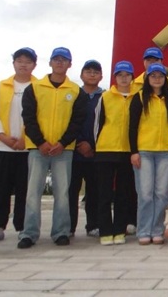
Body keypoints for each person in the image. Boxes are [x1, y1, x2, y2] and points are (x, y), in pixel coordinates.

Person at [18, 47, 89, 249]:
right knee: (33, 193)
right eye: (56, 59)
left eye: (63, 60)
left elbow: (77, 122)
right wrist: (40, 142)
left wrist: (63, 143)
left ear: (70, 64)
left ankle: (61, 232)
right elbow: (28, 118)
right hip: (37, 149)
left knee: (63, 193)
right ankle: (29, 233)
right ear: (50, 62)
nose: (59, 63)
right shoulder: (34, 88)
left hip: (63, 150)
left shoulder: (76, 91)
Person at [0, 47, 37, 244]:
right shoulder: (1, 86)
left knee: (26, 191)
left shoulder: (39, 87)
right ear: (14, 63)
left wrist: (25, 138)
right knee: (0, 189)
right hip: (2, 147)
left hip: (28, 148)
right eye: (19, 60)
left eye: (28, 61)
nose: (23, 65)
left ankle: (24, 228)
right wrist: (2, 136)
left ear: (34, 65)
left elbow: (39, 117)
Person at [129, 63, 168, 246]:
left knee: (162, 194)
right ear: (147, 79)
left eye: (160, 76)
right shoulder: (139, 98)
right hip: (144, 151)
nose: (157, 79)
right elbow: (132, 126)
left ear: (165, 79)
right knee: (145, 193)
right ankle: (144, 230)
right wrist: (134, 152)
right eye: (153, 76)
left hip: (165, 152)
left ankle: (157, 230)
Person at [94, 60, 136, 246]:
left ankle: (119, 230)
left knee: (123, 193)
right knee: (104, 193)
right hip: (106, 149)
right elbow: (97, 124)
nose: (123, 78)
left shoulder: (137, 97)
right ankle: (105, 230)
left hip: (127, 151)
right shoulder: (105, 97)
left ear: (132, 77)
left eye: (127, 75)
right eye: (120, 75)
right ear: (115, 77)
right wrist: (97, 146)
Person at [69, 59, 103, 238]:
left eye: (95, 72)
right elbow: (67, 122)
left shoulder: (105, 97)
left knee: (94, 191)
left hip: (95, 153)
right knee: (71, 191)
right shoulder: (73, 94)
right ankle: (69, 227)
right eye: (88, 71)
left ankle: (93, 225)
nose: (92, 75)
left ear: (101, 76)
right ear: (81, 75)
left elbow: (106, 124)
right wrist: (78, 143)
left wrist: (92, 145)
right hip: (73, 151)